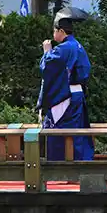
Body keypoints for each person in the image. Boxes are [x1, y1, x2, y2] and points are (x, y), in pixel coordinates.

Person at [37, 8, 94, 161]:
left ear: (61, 30)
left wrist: (47, 52)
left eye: (54, 30)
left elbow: (47, 67)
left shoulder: (64, 48)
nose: (53, 34)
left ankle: (59, 167)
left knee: (59, 132)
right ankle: (80, 165)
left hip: (64, 96)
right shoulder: (77, 46)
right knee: (76, 133)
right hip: (77, 94)